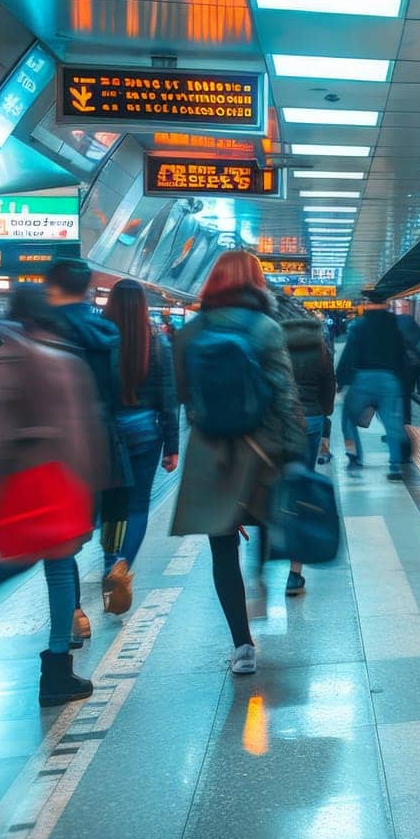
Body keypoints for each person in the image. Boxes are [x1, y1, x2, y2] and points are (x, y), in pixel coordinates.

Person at [0, 288, 107, 705]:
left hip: (18, 481)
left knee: (18, 557)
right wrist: (88, 489)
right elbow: (83, 433)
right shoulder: (64, 360)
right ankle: (57, 669)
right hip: (59, 481)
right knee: (59, 567)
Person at [171, 251, 304, 675]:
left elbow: (183, 393)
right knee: (269, 518)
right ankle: (263, 578)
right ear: (255, 282)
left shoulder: (191, 331)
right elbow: (284, 393)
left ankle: (242, 646)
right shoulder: (265, 327)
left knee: (221, 548)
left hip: (211, 451)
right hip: (262, 446)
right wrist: (295, 450)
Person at [45, 257, 128, 645]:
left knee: (62, 542)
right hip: (102, 444)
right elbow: (116, 392)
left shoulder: (45, 330)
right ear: (89, 288)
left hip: (60, 450)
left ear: (52, 287)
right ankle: (114, 571)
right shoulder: (105, 331)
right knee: (102, 523)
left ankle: (73, 618)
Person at [98, 280, 179, 615]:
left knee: (111, 505)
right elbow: (168, 398)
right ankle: (122, 566)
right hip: (146, 429)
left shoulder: (99, 340)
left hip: (107, 432)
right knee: (138, 507)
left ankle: (107, 566)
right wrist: (172, 446)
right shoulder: (156, 342)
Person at [264, 291, 335, 597]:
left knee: (269, 489)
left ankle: (262, 566)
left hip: (276, 423)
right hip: (311, 421)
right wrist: (322, 413)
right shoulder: (318, 344)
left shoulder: (266, 340)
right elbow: (328, 385)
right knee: (301, 488)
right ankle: (295, 574)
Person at [336, 294, 409, 480]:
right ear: (385, 305)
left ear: (367, 305)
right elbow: (403, 357)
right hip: (389, 380)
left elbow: (349, 355)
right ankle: (395, 466)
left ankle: (354, 456)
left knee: (348, 420)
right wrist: (402, 383)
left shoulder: (359, 326)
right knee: (393, 424)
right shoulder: (395, 327)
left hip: (363, 379)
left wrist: (341, 379)